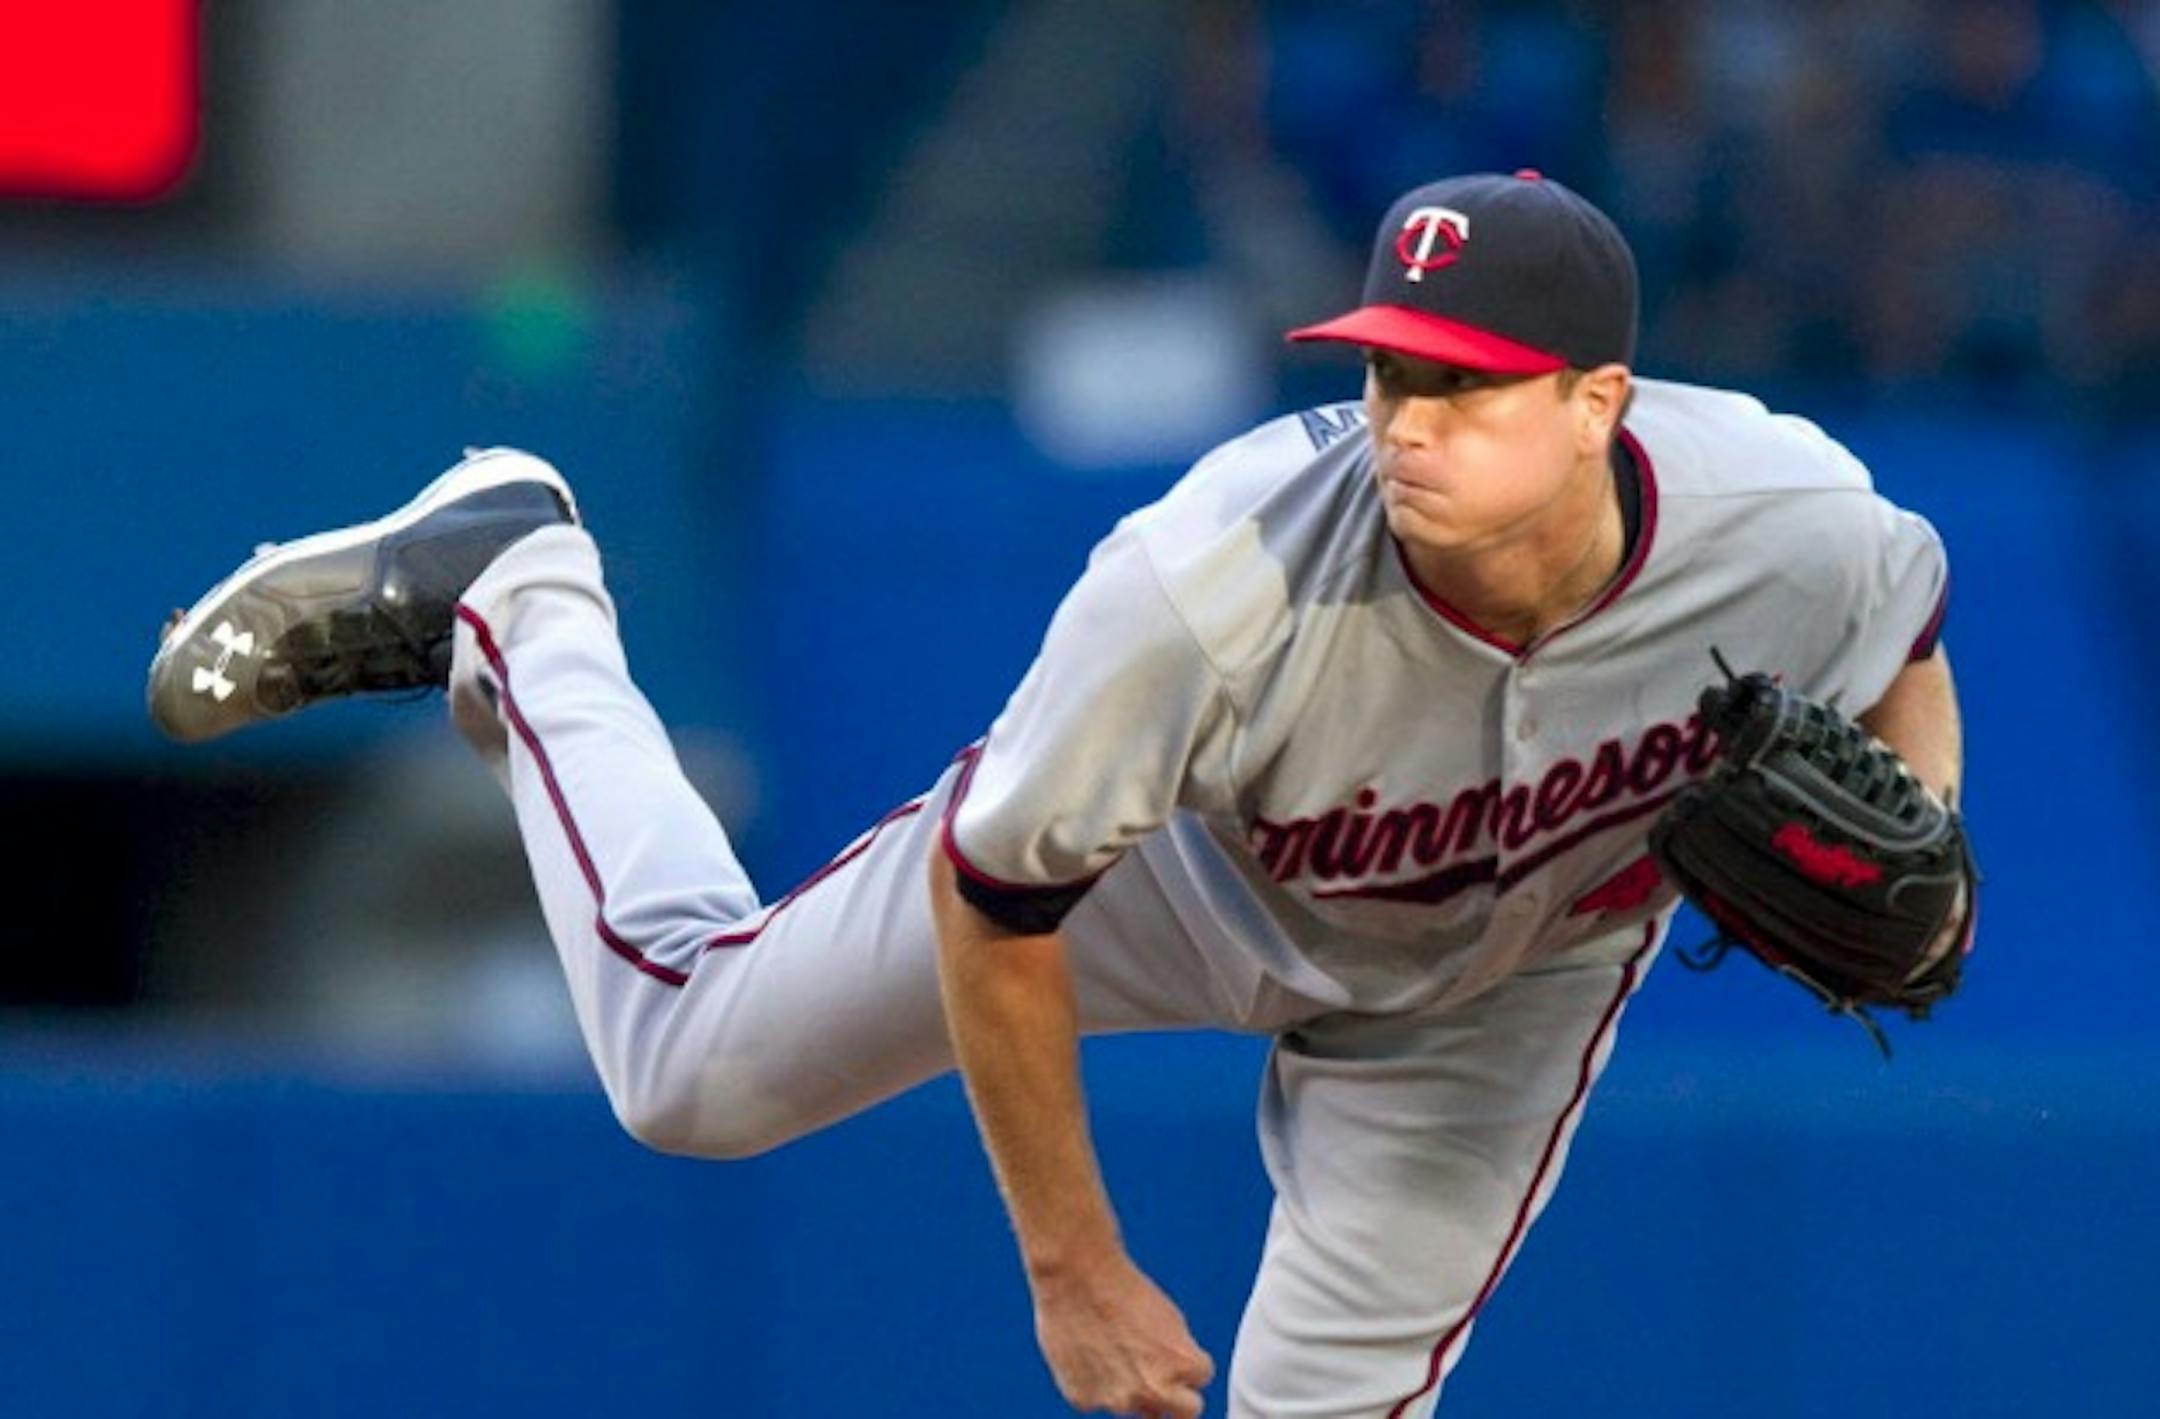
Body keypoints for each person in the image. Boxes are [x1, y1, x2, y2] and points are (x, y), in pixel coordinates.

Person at [149, 171, 1961, 1418]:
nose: (1409, 423)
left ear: (1598, 405)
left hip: (1504, 987)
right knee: (688, 1072)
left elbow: (1908, 635)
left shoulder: (1787, 523)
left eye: (1470, 391)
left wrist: (1926, 834)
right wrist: (1075, 1266)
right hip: (1172, 873)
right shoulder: (1204, 586)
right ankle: (519, 590)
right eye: (1391, 375)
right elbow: (995, 899)